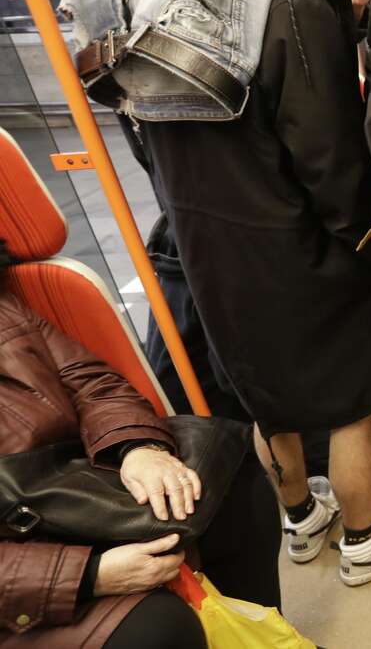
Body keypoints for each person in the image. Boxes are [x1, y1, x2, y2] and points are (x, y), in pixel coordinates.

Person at [62, 0, 371, 588]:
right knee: (351, 396)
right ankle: (364, 543)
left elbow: (131, 126)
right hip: (296, 236)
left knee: (260, 393)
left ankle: (300, 518)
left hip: (201, 236)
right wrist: (364, 243)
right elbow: (328, 152)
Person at [0, 240, 279, 649]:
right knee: (155, 628)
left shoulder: (6, 305)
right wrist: (85, 575)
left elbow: (90, 381)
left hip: (54, 492)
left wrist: (137, 447)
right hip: (21, 559)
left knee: (226, 479)